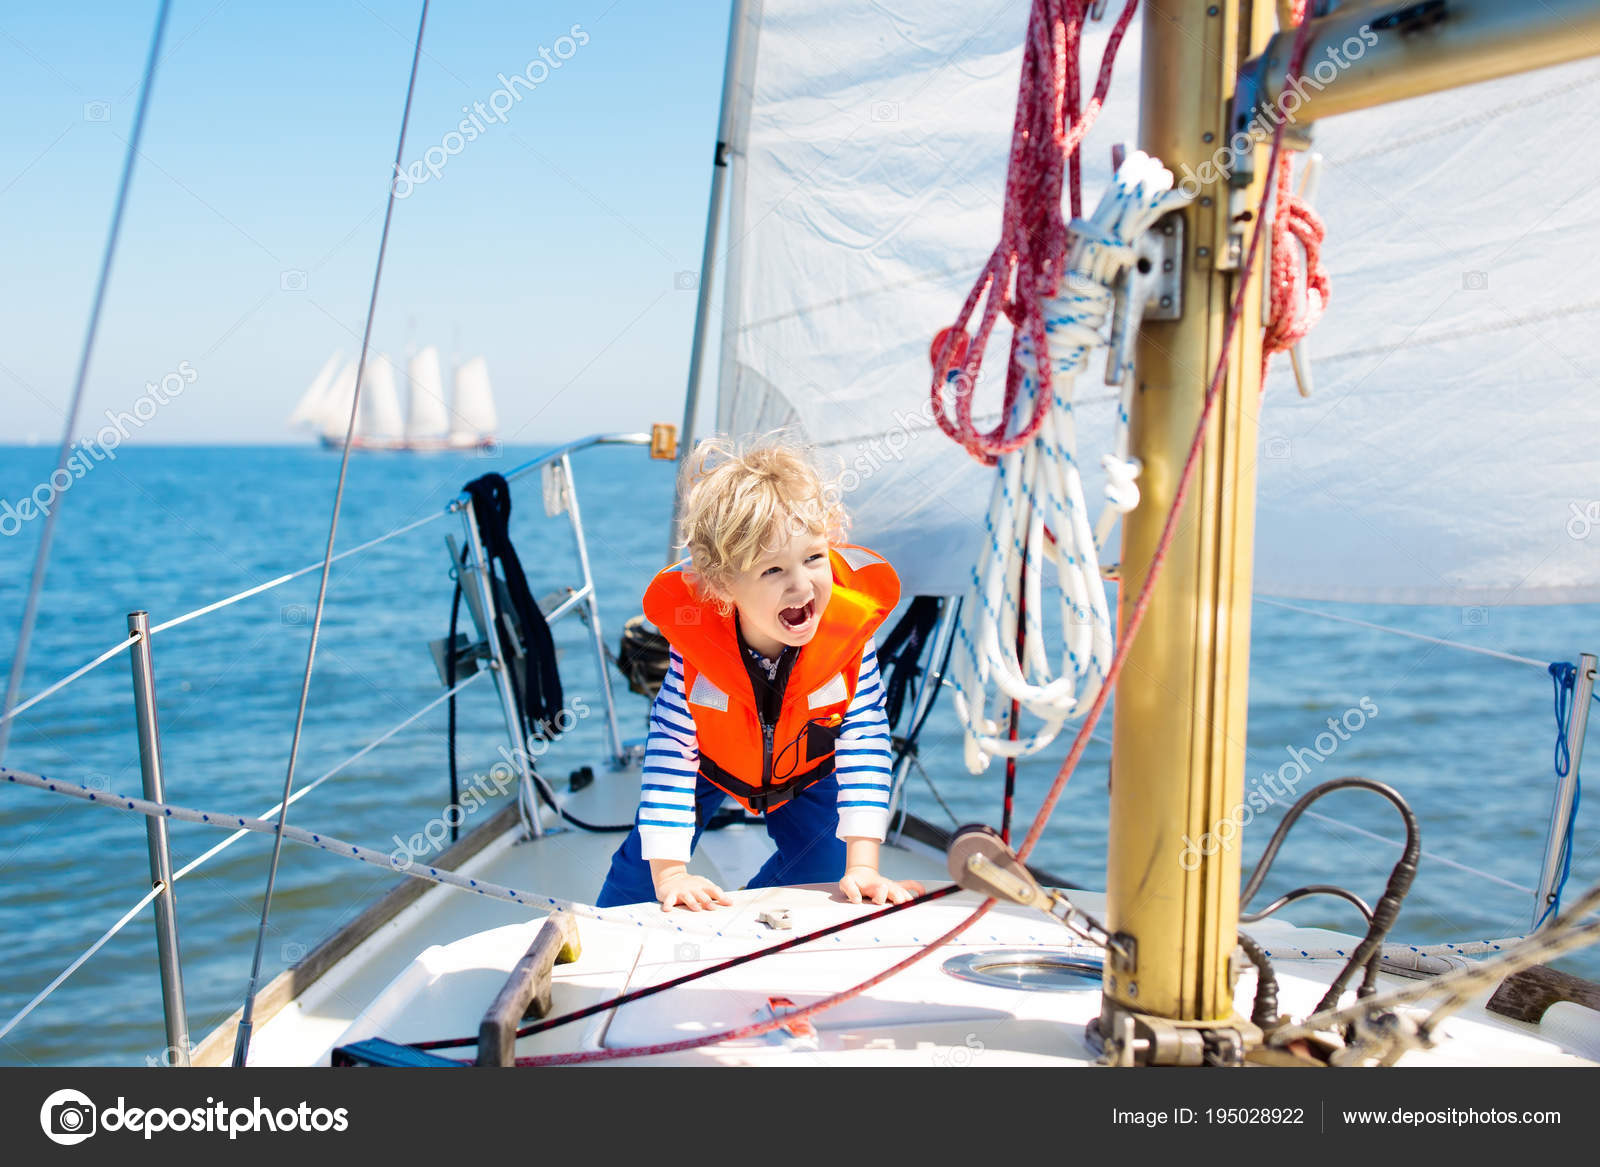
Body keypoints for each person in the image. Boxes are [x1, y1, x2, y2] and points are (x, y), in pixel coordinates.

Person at [595, 433, 926, 911]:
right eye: (772, 570)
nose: (802, 584)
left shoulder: (849, 644)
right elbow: (670, 753)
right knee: (637, 888)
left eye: (814, 558)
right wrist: (671, 876)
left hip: (809, 770)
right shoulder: (697, 654)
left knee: (829, 875)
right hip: (712, 764)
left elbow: (866, 742)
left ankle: (744, 913)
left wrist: (864, 866)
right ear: (724, 584)